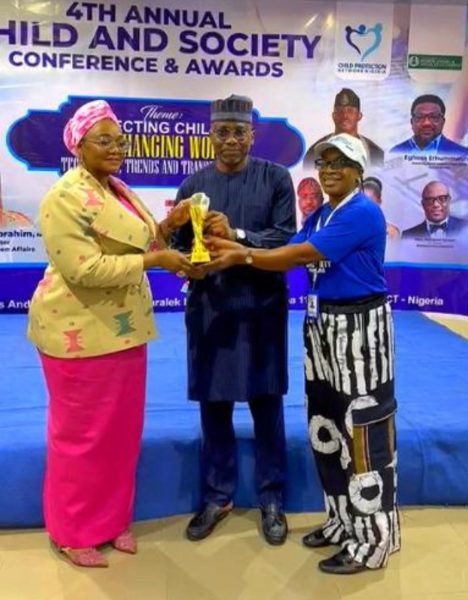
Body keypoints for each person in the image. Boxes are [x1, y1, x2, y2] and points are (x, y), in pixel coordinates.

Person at [204, 133, 400, 575]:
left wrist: (241, 256)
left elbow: (299, 254)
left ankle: (372, 541)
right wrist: (237, 239)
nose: (328, 170)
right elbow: (288, 245)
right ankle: (342, 521)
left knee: (363, 432)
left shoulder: (363, 212)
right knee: (326, 427)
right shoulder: (323, 213)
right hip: (323, 325)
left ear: (358, 172)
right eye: (323, 163)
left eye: (339, 163)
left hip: (359, 327)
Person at [27, 100, 197, 568]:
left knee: (120, 434)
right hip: (76, 331)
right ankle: (72, 531)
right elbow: (84, 269)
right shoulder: (63, 197)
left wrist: (169, 226)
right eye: (104, 140)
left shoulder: (118, 189)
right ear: (78, 146)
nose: (116, 148)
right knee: (80, 437)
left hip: (124, 330)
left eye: (121, 140)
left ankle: (111, 521)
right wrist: (155, 261)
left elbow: (139, 240)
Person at [172, 94, 296, 546]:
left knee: (267, 406)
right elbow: (181, 245)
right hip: (212, 308)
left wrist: (237, 236)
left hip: (261, 308)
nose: (230, 140)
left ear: (252, 135)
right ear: (210, 135)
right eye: (222, 131)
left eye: (238, 132)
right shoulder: (193, 186)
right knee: (214, 407)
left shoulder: (276, 178)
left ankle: (271, 498)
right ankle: (217, 496)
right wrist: (187, 264)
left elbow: (284, 239)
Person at [304, 88, 384, 168]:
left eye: (350, 111)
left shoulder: (375, 153)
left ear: (359, 116)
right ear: (334, 116)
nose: (345, 116)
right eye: (340, 111)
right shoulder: (314, 152)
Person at [390, 94, 468, 156]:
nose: (427, 123)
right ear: (412, 122)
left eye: (434, 117)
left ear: (443, 122)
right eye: (419, 117)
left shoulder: (462, 154)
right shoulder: (396, 152)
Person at [402, 181, 467, 239]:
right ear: (423, 204)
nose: (436, 204)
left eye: (442, 199)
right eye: (430, 200)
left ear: (449, 201)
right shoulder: (408, 236)